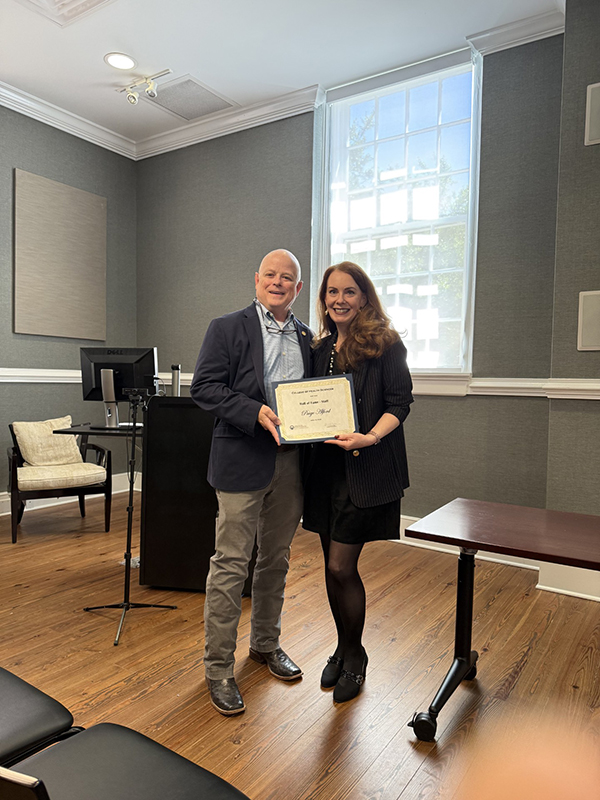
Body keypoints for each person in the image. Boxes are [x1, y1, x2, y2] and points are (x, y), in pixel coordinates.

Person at [190, 249, 312, 716]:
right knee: (231, 564)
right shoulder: (227, 327)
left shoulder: (308, 337)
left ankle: (265, 644)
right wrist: (252, 411)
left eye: (289, 278)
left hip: (292, 463)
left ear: (298, 289)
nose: (279, 282)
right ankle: (218, 668)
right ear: (256, 279)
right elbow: (205, 387)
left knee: (276, 559)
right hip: (242, 460)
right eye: (271, 275)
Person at [303, 261, 413, 703]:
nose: (339, 300)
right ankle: (343, 647)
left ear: (364, 297)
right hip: (324, 469)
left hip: (364, 467)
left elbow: (400, 402)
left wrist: (368, 437)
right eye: (332, 292)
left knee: (340, 567)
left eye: (349, 292)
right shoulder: (320, 347)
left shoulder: (385, 343)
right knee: (331, 567)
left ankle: (356, 656)